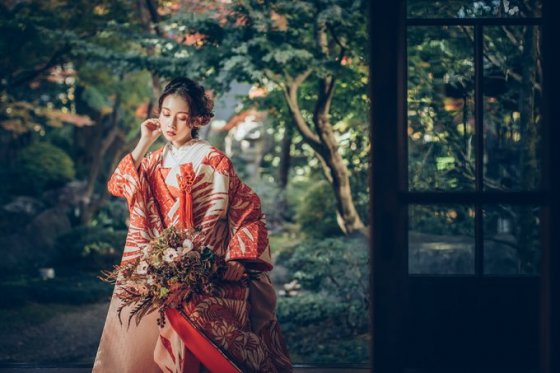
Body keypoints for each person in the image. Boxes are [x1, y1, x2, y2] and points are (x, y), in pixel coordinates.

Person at [93, 77, 293, 373]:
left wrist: (231, 259)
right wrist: (143, 142)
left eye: (182, 117)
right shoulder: (153, 160)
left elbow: (243, 207)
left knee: (202, 344)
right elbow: (118, 184)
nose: (171, 123)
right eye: (165, 114)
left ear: (197, 120)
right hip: (163, 265)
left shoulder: (213, 160)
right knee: (164, 343)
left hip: (208, 265)